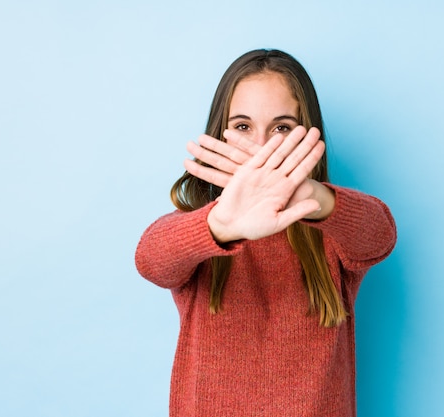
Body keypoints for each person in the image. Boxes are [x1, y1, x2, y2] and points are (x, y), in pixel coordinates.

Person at [135, 49, 397, 417]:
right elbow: (151, 260)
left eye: (281, 128)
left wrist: (309, 195)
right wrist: (220, 226)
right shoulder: (204, 230)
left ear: (307, 135)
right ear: (220, 137)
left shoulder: (330, 232)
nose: (261, 149)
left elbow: (379, 234)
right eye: (243, 127)